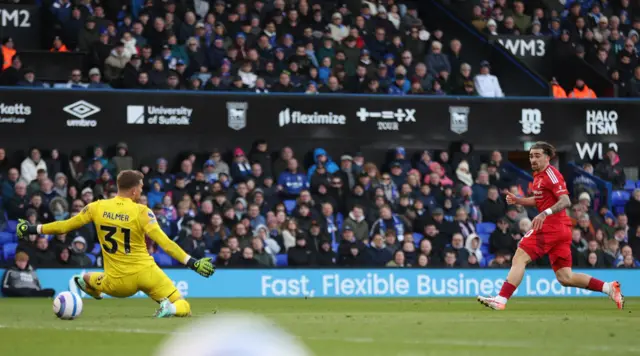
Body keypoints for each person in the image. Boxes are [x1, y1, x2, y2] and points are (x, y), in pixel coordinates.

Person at [16, 170, 214, 317]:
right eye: (142, 187)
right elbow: (166, 243)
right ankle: (168, 308)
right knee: (182, 305)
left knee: (85, 277)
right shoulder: (143, 212)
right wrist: (193, 263)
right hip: (147, 272)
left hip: (118, 283)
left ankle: (93, 287)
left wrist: (32, 229)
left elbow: (63, 226)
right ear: (135, 190)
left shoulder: (97, 207)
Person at [478, 142, 623, 310]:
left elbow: (566, 201)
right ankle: (608, 288)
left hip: (551, 227)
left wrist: (544, 213)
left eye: (538, 156)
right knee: (565, 277)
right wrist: (519, 200)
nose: (533, 159)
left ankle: (501, 299)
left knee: (519, 257)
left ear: (548, 158)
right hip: (561, 230)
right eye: (531, 156)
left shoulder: (551, 174)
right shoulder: (538, 176)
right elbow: (539, 200)